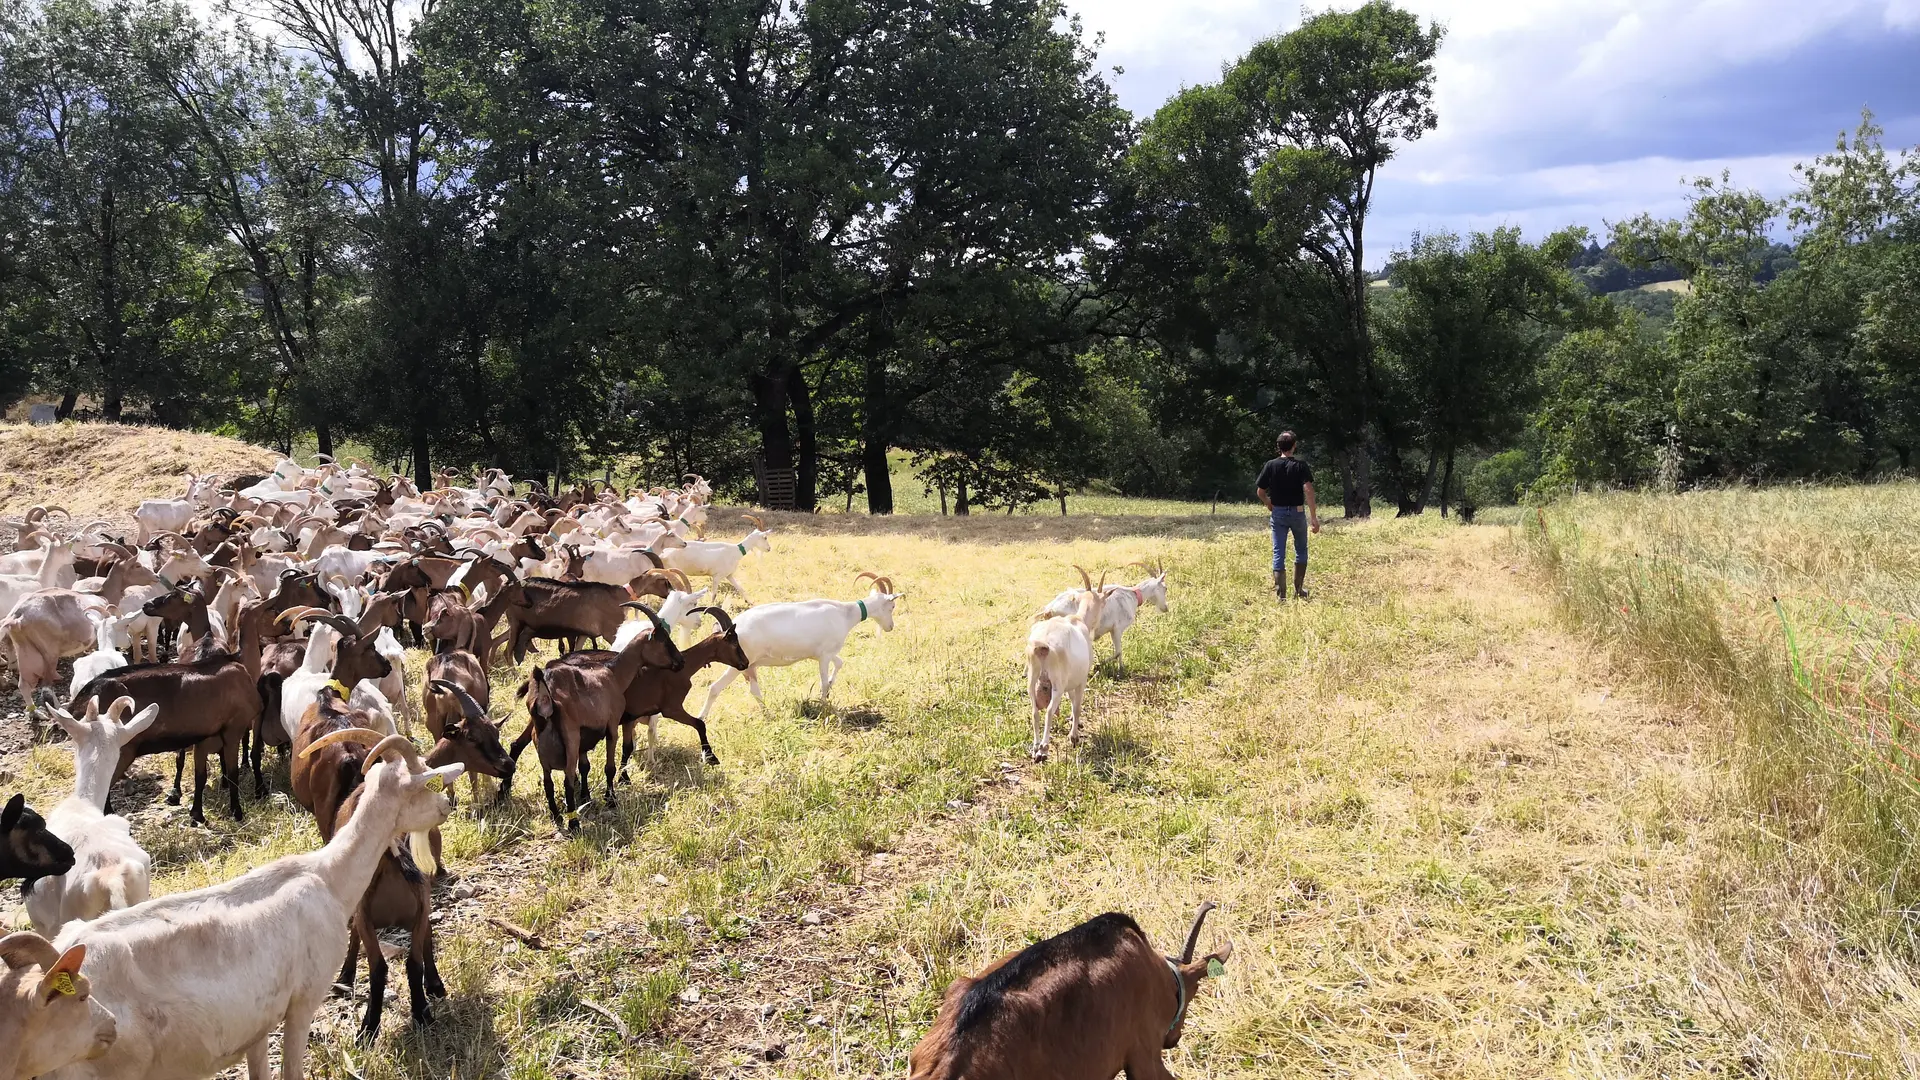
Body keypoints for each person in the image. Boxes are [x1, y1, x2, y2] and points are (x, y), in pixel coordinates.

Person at [1255, 432, 1319, 599]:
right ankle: (1299, 590)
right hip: (1297, 512)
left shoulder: (1270, 465)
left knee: (1278, 552)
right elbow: (1309, 490)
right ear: (1294, 445)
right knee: (1301, 550)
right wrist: (1313, 517)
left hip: (1278, 514)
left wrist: (1269, 503)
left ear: (1278, 447)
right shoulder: (1301, 465)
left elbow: (1260, 491)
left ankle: (1281, 594)